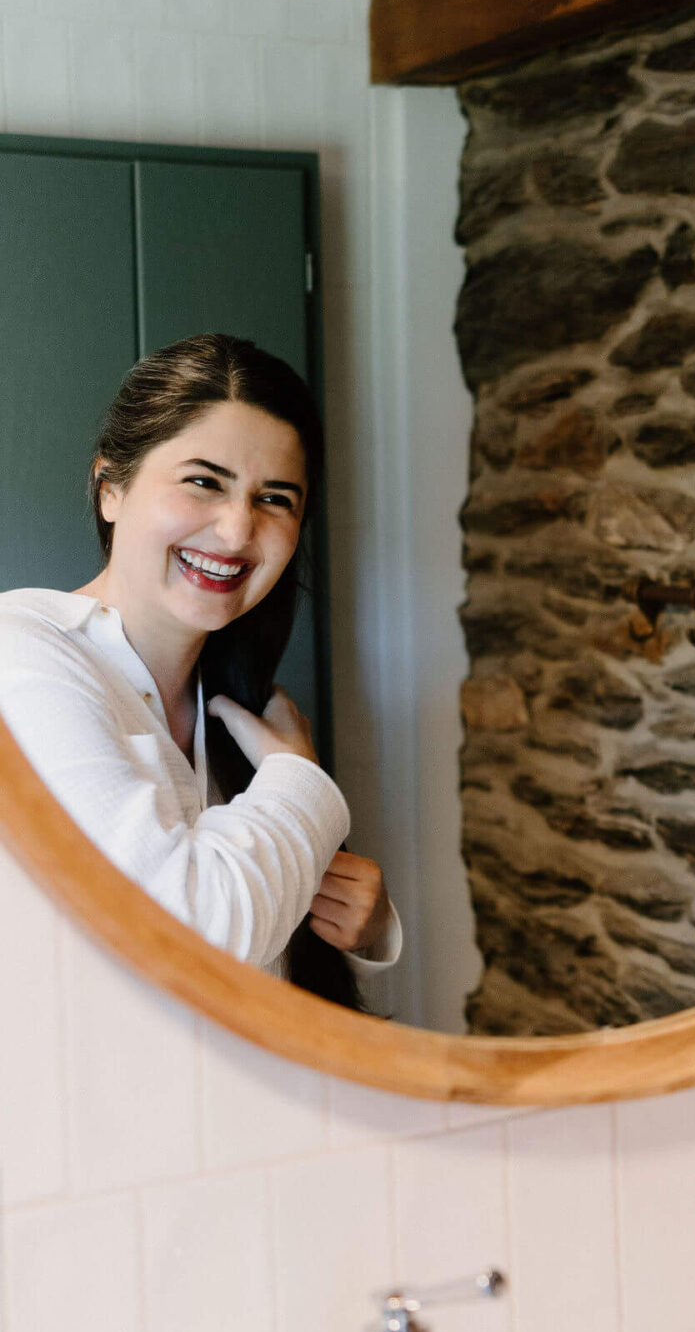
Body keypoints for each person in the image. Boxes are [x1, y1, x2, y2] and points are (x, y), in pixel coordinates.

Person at [0, 333, 399, 1004]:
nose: (238, 532)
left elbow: (255, 980)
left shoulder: (247, 706)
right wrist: (299, 780)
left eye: (275, 498)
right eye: (203, 482)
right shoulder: (23, 657)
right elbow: (191, 936)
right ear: (111, 490)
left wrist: (367, 928)